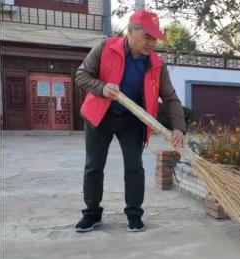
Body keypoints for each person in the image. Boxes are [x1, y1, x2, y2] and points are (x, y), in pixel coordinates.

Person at [74, 9, 187, 232]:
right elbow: (81, 75)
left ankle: (134, 214)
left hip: (132, 120)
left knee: (135, 167)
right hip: (100, 115)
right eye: (147, 36)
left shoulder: (156, 64)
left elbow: (171, 98)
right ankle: (92, 214)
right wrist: (102, 88)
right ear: (131, 31)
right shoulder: (105, 47)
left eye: (155, 38)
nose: (152, 42)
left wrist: (179, 128)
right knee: (94, 166)